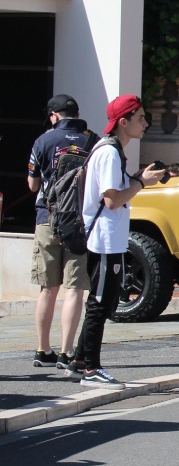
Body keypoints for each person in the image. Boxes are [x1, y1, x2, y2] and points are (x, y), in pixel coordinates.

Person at [72, 95, 165, 386]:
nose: (145, 123)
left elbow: (116, 192)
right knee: (101, 303)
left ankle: (78, 361)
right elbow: (112, 200)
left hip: (109, 239)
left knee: (107, 300)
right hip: (103, 240)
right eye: (140, 118)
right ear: (123, 122)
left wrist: (138, 178)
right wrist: (141, 183)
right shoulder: (109, 152)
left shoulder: (109, 149)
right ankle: (91, 369)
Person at [26, 94, 98, 372]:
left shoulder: (43, 141)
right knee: (75, 289)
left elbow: (33, 185)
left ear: (54, 116)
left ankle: (43, 349)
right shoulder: (93, 141)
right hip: (78, 223)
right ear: (76, 113)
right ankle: (67, 353)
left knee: (48, 289)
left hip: (47, 218)